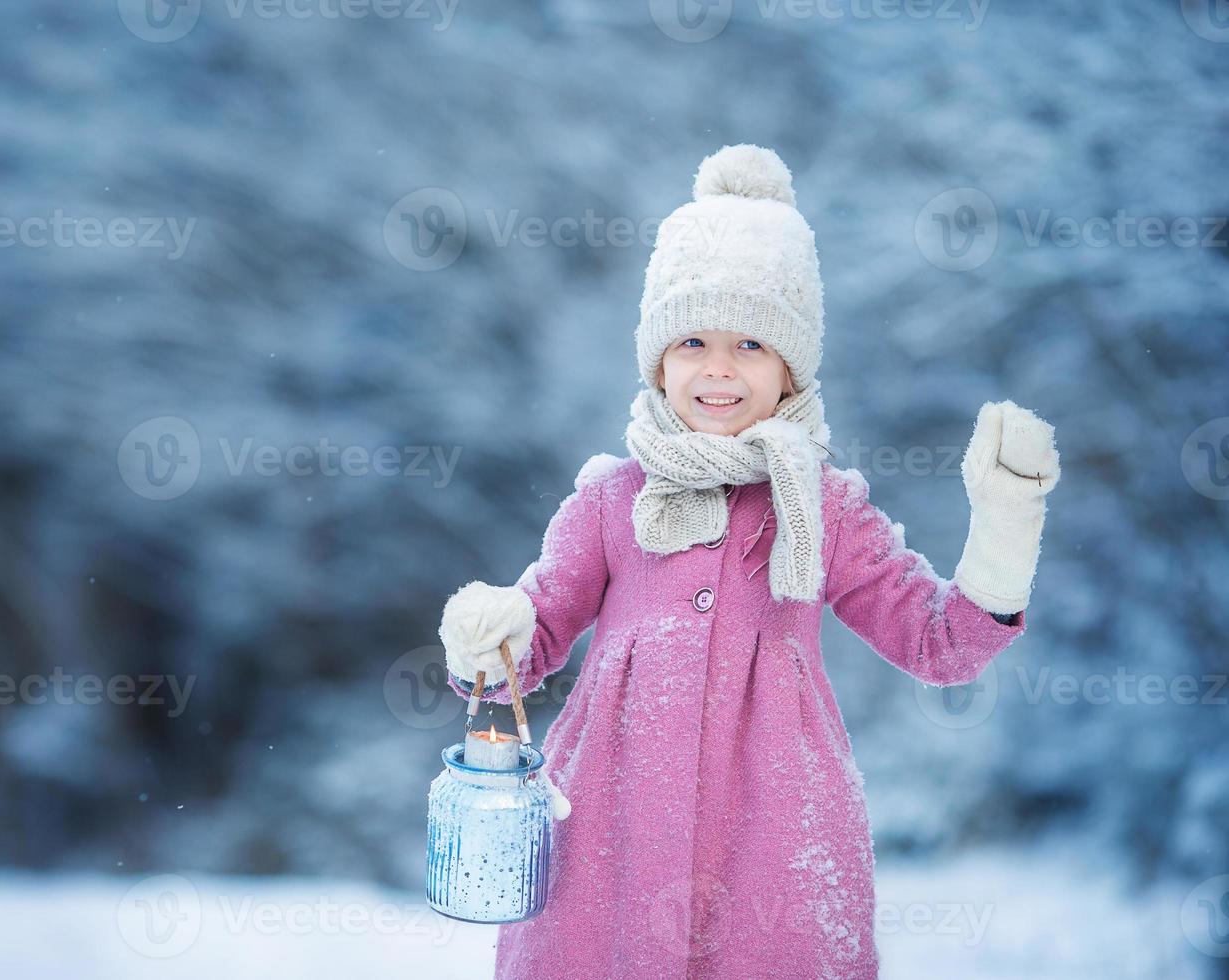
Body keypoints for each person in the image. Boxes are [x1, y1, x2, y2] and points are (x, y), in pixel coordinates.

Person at [437, 144, 1061, 979]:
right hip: (607, 828)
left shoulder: (825, 505)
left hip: (776, 826)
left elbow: (938, 642)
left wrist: (1006, 525)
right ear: (659, 358)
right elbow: (534, 637)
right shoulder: (612, 496)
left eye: (751, 344)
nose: (719, 369)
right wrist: (493, 635)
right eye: (692, 339)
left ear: (790, 366)